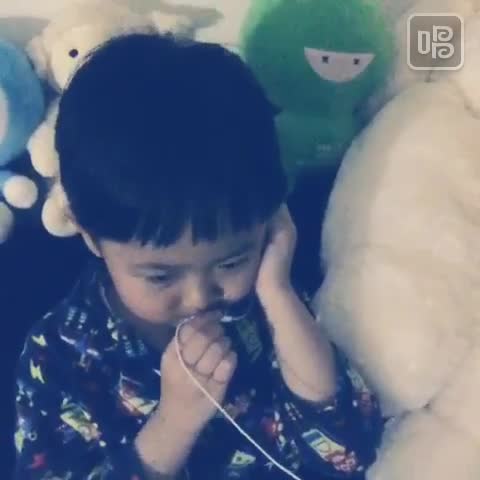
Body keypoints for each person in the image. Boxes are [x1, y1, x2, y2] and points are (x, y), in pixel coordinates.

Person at [13, 33, 383, 480]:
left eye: (230, 262)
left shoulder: (262, 307)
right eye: (160, 277)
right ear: (90, 237)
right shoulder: (60, 356)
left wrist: (278, 292)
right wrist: (174, 423)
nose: (199, 297)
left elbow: (350, 451)